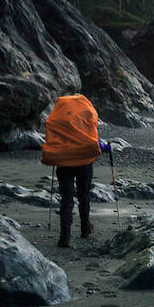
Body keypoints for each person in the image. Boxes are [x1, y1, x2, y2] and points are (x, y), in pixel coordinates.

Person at [40, 94, 110, 248]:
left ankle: (65, 236)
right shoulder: (85, 118)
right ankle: (85, 228)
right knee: (83, 196)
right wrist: (106, 148)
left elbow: (51, 139)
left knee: (66, 199)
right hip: (84, 163)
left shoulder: (59, 122)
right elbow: (93, 142)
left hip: (64, 163)